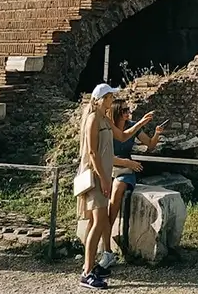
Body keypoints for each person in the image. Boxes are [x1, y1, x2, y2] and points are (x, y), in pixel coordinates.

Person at [100, 98, 165, 269]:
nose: (128, 113)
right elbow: (106, 154)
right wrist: (126, 162)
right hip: (110, 167)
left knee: (116, 194)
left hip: (125, 172)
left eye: (128, 109)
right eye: (124, 110)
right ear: (116, 112)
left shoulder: (132, 125)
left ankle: (107, 247)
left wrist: (157, 133)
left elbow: (150, 145)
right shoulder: (108, 127)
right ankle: (106, 246)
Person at [77, 83, 120, 290]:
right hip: (96, 177)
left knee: (98, 223)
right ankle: (87, 271)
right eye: (110, 97)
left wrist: (140, 125)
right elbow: (93, 153)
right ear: (100, 99)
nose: (112, 100)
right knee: (98, 223)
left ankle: (91, 266)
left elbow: (121, 136)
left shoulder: (104, 119)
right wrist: (103, 179)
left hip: (103, 176)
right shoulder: (94, 119)